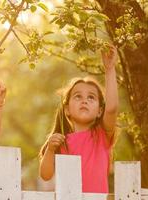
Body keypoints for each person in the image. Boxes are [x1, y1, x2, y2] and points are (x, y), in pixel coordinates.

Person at [39, 45, 118, 193]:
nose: (84, 101)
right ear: (67, 109)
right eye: (78, 96)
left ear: (100, 111)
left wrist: (110, 69)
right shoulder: (60, 142)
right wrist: (50, 149)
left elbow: (112, 108)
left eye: (91, 97)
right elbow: (45, 175)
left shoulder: (102, 136)